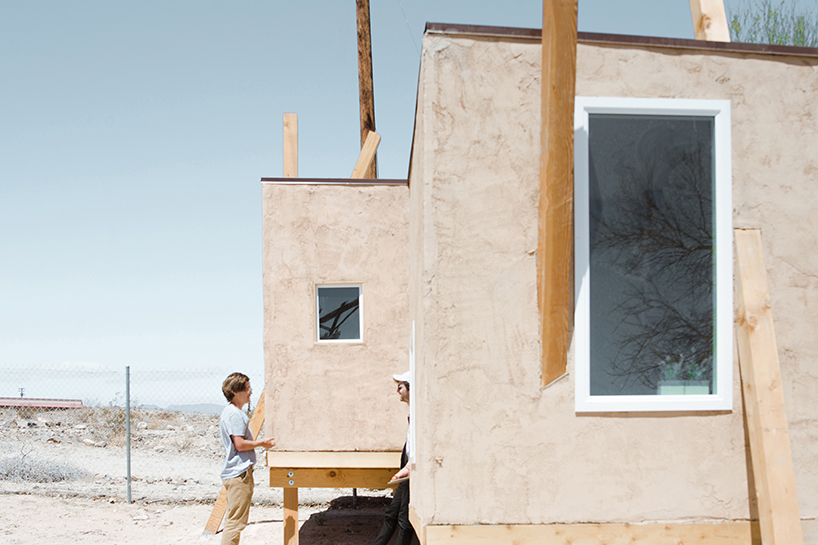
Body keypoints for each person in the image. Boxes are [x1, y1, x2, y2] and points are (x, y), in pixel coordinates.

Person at [219, 372, 275, 545]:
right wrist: (261, 443)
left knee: (234, 520)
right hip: (239, 474)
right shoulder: (235, 414)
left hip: (236, 473)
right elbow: (240, 444)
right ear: (237, 391)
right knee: (236, 523)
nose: (251, 393)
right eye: (247, 389)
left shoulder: (231, 412)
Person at [372, 371, 417, 545]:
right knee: (392, 514)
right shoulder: (413, 412)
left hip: (412, 470)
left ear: (410, 388)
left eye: (400, 387)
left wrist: (407, 468)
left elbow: (416, 448)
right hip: (407, 468)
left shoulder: (419, 415)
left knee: (404, 520)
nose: (397, 391)